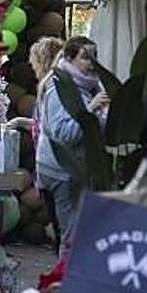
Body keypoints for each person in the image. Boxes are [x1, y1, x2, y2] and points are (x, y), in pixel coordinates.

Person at [36, 36, 109, 255]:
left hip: (79, 171)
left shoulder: (88, 86)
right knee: (71, 238)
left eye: (94, 57)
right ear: (69, 58)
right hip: (62, 171)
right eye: (86, 57)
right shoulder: (60, 87)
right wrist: (91, 111)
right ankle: (61, 284)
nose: (91, 63)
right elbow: (64, 134)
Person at [6, 36, 65, 250]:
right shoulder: (51, 87)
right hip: (50, 162)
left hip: (54, 163)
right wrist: (20, 121)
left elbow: (51, 126)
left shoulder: (54, 88)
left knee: (61, 222)